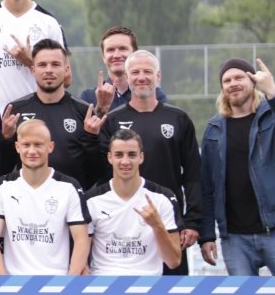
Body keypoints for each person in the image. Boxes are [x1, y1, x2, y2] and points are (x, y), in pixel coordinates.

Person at [99, 50, 201, 274]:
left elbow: (194, 174)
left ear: (158, 76)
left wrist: (192, 221)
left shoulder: (178, 119)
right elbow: (102, 174)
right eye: (135, 72)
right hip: (125, 224)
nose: (141, 77)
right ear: (126, 77)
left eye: (147, 71)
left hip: (169, 222)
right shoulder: (112, 121)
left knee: (171, 291)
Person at [199, 58, 275, 276]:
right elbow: (206, 187)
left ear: (252, 81)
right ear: (222, 88)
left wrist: (273, 91)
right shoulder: (213, 129)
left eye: (239, 77)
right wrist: (207, 235)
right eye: (227, 80)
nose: (233, 83)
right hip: (235, 238)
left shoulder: (272, 115)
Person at [0, 119, 90, 276]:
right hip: (14, 281)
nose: (32, 151)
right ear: (17, 147)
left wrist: (70, 282)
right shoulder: (2, 186)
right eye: (26, 145)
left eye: (38, 144)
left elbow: (81, 239)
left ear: (50, 147)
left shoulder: (69, 187)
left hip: (57, 281)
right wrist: (3, 281)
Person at [0, 39, 102, 186]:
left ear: (66, 69)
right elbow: (1, 169)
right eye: (42, 65)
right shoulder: (16, 110)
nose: (48, 70)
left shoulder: (84, 111)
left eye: (55, 64)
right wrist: (5, 139)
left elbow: (96, 173)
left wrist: (91, 139)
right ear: (33, 70)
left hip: (70, 202)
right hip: (29, 200)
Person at [85, 128, 181, 275]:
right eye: (119, 155)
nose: (125, 161)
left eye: (131, 155)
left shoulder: (162, 198)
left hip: (147, 285)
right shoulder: (92, 200)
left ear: (141, 157)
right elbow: (80, 257)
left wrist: (157, 225)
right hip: (103, 283)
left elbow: (173, 261)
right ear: (110, 157)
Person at [79, 26, 168, 116]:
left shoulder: (155, 95)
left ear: (134, 53)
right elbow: (86, 129)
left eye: (122, 48)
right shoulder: (88, 98)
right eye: (110, 50)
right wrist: (101, 108)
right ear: (103, 57)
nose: (116, 55)